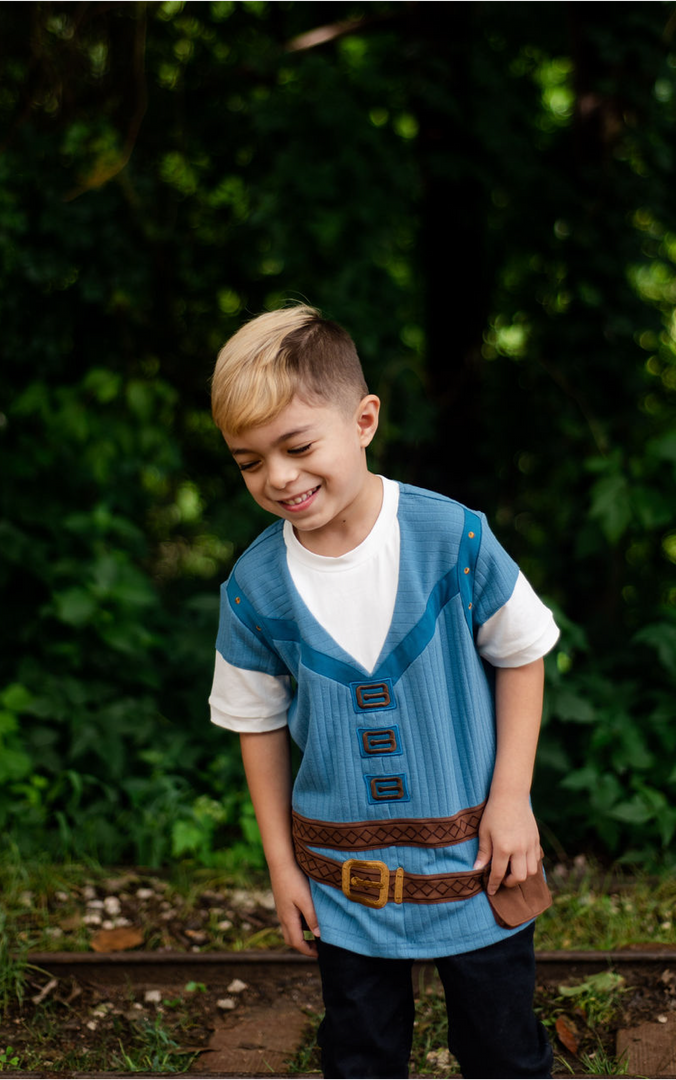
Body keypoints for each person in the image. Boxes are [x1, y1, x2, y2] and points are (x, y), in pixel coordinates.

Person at [208, 304, 558, 1079]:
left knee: (502, 1050)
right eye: (249, 461)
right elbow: (256, 725)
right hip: (344, 885)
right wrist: (281, 863)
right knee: (360, 1054)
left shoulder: (454, 540)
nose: (279, 477)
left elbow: (524, 654)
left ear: (363, 420)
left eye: (297, 446)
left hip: (481, 866)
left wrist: (512, 798)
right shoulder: (254, 590)